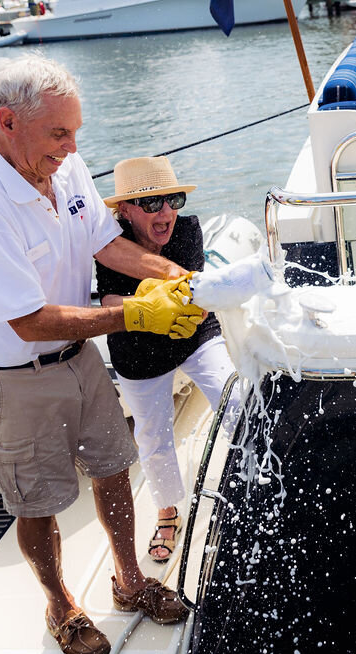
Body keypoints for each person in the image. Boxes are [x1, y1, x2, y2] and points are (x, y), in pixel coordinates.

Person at [0, 55, 205, 654]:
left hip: (78, 357)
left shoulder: (68, 167)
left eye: (76, 131)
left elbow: (105, 242)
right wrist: (136, 314)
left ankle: (130, 580)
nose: (72, 146)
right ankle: (61, 606)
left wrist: (175, 277)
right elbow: (28, 319)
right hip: (13, 378)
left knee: (115, 467)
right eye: (59, 133)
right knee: (37, 502)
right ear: (8, 121)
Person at [96, 156, 239, 563]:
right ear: (124, 211)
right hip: (137, 349)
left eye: (172, 199)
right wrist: (145, 305)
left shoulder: (188, 230)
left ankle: (250, 480)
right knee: (153, 437)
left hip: (192, 336)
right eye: (151, 202)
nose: (166, 212)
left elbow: (192, 291)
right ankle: (167, 512)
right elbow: (107, 299)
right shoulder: (107, 245)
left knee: (236, 399)